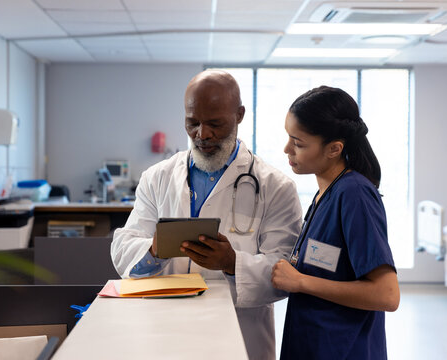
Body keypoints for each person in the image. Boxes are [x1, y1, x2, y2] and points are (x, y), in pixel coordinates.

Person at [111, 70, 303, 360]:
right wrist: (153, 249)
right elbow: (125, 246)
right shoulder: (157, 178)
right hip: (165, 331)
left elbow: (284, 269)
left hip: (240, 334)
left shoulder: (276, 187)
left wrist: (232, 263)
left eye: (215, 123)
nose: (202, 134)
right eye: (192, 123)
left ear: (239, 115)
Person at [271, 86, 400, 359]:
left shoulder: (354, 194)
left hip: (345, 350)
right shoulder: (324, 195)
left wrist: (301, 282)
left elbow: (387, 295)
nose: (287, 149)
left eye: (298, 143)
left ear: (334, 149)